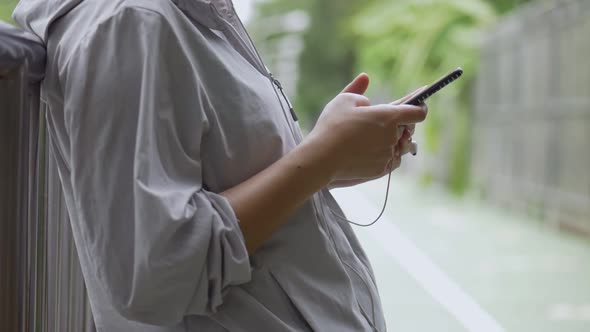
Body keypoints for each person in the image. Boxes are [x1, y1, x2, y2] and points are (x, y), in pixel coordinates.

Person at [13, 0, 427, 331]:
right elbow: (154, 274)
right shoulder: (130, 23)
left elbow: (222, 175)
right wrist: (321, 158)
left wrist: (336, 159)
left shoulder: (193, 16)